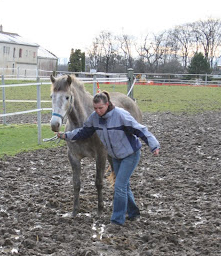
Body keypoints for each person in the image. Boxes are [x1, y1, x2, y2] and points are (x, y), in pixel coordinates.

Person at [57, 91, 160, 228]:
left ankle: (117, 220)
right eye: (95, 108)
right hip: (115, 156)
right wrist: (66, 135)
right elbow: (83, 132)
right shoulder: (94, 118)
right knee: (123, 185)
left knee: (119, 186)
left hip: (130, 154)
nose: (98, 111)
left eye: (101, 108)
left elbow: (140, 129)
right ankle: (134, 213)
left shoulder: (121, 115)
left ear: (107, 104)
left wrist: (153, 145)